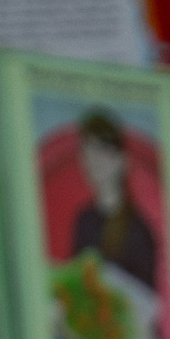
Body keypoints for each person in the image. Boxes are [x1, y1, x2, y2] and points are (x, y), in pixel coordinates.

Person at [67, 109, 159, 297]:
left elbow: (150, 304)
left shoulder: (138, 230)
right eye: (88, 150)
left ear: (122, 161)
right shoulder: (84, 220)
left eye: (102, 149)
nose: (94, 159)